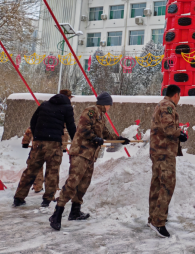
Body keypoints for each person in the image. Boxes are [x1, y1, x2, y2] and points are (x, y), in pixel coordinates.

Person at [49, 92, 130, 231]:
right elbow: (83, 128)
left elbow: (105, 133)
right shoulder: (91, 111)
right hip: (80, 153)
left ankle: (75, 211)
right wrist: (94, 138)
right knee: (73, 183)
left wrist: (120, 139)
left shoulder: (101, 117)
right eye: (109, 105)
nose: (110, 107)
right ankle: (57, 214)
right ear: (106, 103)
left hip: (90, 155)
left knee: (83, 184)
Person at [13, 89, 76, 208]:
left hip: (38, 143)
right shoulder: (67, 108)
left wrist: (37, 135)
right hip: (54, 144)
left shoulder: (44, 105)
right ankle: (47, 199)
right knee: (52, 172)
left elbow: (33, 121)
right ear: (67, 98)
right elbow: (71, 127)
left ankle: (18, 198)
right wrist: (76, 141)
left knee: (30, 170)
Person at [147, 84, 188, 238]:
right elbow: (168, 128)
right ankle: (158, 222)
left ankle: (153, 218)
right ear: (176, 95)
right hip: (164, 152)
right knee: (167, 185)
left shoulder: (162, 104)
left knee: (157, 184)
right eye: (179, 96)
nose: (179, 98)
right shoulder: (167, 106)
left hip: (159, 151)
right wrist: (180, 134)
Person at [21, 127, 44, 193]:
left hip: (37, 147)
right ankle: (51, 188)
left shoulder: (36, 123)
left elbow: (29, 131)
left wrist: (25, 142)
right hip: (52, 147)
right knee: (52, 169)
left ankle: (38, 186)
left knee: (37, 167)